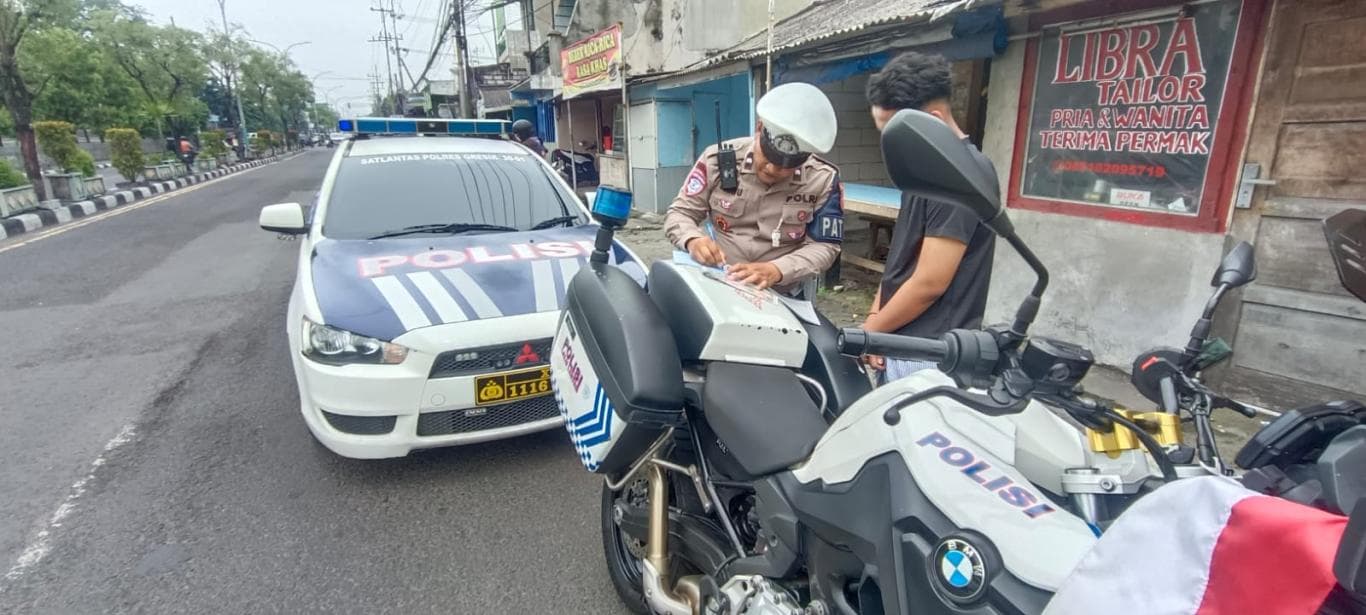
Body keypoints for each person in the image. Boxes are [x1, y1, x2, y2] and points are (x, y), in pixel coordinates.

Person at [860, 52, 998, 382]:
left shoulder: (959, 175)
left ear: (933, 119)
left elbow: (929, 282)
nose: (887, 143)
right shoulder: (921, 167)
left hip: (929, 355)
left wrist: (869, 335)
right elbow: (901, 262)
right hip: (900, 340)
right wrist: (876, 322)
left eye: (894, 131)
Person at [664, 82, 844, 297]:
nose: (774, 169)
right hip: (720, 284)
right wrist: (693, 239)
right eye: (769, 158)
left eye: (788, 166)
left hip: (784, 292)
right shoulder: (717, 160)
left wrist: (777, 270)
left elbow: (825, 246)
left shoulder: (823, 179)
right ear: (759, 129)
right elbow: (680, 212)